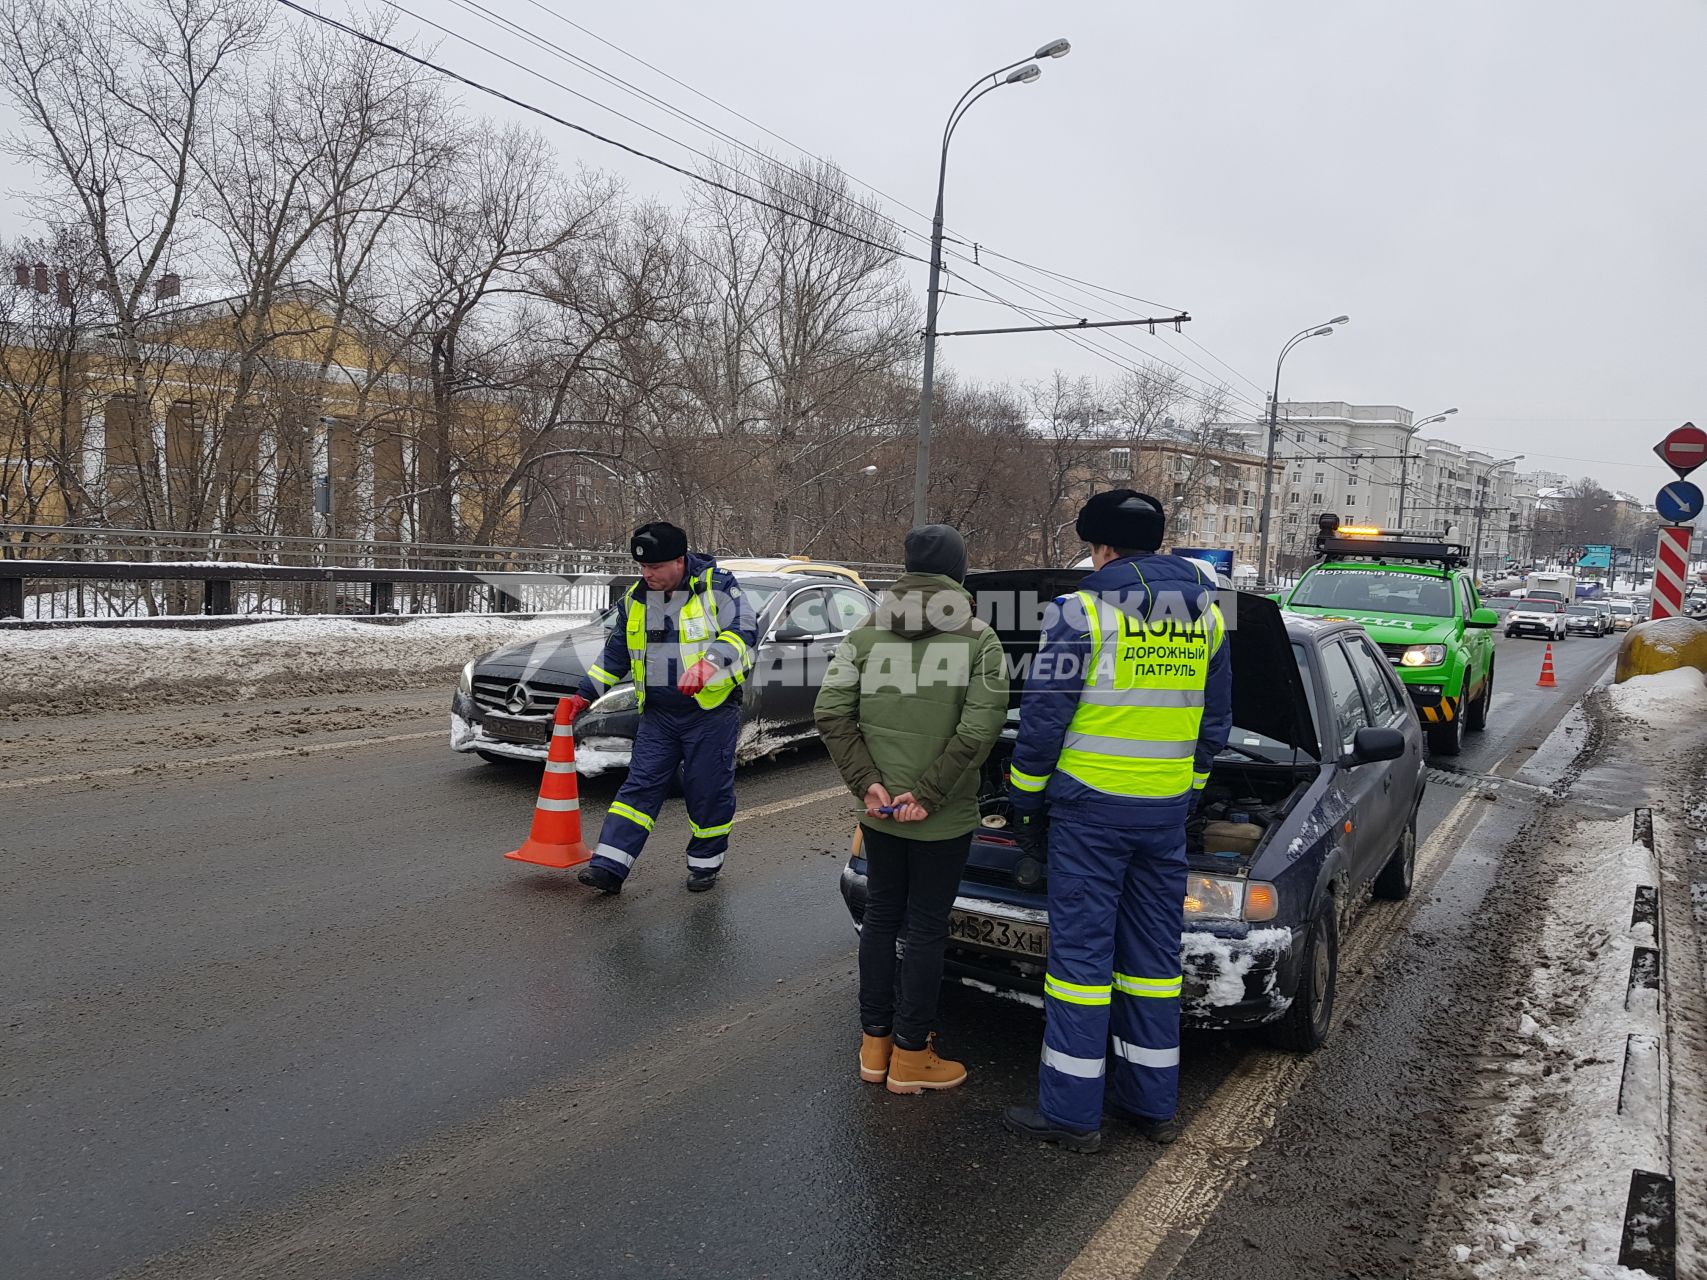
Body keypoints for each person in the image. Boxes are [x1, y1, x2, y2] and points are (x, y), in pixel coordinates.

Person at [1000, 490, 1231, 1153]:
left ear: (1100, 548)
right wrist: (1186, 792)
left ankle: (1073, 1116)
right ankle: (1150, 1106)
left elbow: (1045, 716)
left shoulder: (1083, 611)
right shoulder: (1207, 617)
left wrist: (1024, 800)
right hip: (1162, 813)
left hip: (1089, 812)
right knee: (1152, 962)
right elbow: (1213, 724)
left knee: (1079, 964)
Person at [814, 525, 1009, 1095]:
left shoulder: (865, 633)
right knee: (925, 929)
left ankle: (872, 1047)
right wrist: (928, 794)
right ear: (958, 573)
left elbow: (830, 712)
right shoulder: (978, 638)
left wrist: (868, 784)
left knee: (880, 918)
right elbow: (980, 728)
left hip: (877, 811)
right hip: (940, 817)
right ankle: (911, 1055)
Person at [565, 521, 758, 894]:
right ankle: (609, 866)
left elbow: (743, 632)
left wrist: (709, 663)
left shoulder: (718, 588)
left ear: (680, 561)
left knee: (707, 791)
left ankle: (705, 865)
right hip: (659, 715)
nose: (647, 574)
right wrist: (584, 694)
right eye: (642, 567)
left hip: (709, 712)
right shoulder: (638, 599)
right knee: (639, 788)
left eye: (655, 567)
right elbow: (616, 654)